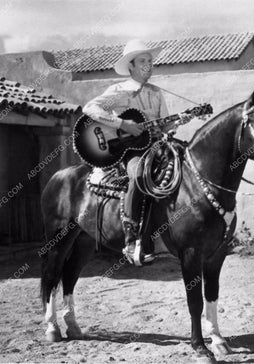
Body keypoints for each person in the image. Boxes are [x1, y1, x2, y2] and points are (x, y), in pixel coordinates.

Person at [83, 39, 171, 265]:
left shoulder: (156, 92)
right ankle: (132, 238)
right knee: (140, 175)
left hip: (156, 145)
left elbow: (164, 125)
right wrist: (122, 125)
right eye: (143, 60)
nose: (148, 64)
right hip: (129, 150)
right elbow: (90, 108)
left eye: (150, 60)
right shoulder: (118, 91)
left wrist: (177, 122)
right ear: (130, 66)